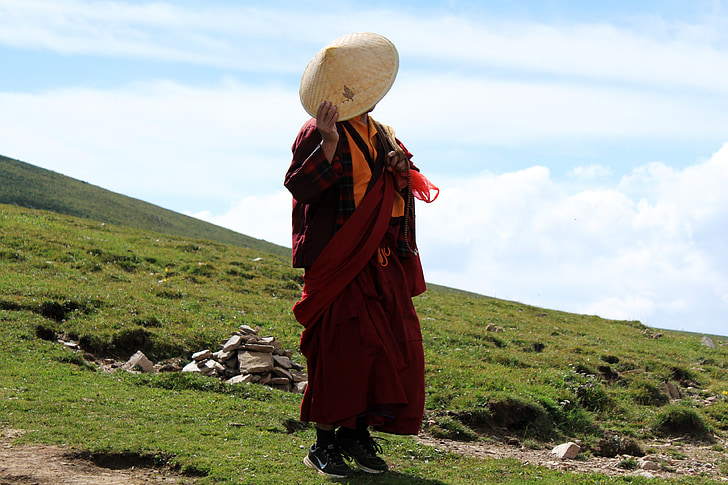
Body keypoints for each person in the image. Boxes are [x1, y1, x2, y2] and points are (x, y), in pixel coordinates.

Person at [284, 32, 435, 478]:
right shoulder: (317, 129)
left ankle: (356, 434)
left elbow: (408, 179)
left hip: (379, 258)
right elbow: (301, 186)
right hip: (338, 258)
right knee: (339, 349)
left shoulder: (383, 133)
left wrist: (399, 169)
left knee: (385, 346)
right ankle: (324, 444)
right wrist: (328, 143)